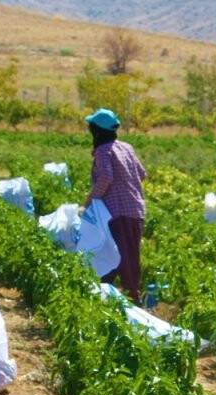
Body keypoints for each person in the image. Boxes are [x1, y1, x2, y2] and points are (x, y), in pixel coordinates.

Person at [83, 108, 148, 302]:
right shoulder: (126, 147)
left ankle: (131, 300)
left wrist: (87, 203)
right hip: (135, 210)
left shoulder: (103, 151)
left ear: (96, 131)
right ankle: (110, 295)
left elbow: (105, 178)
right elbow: (142, 173)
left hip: (117, 214)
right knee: (127, 256)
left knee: (118, 257)